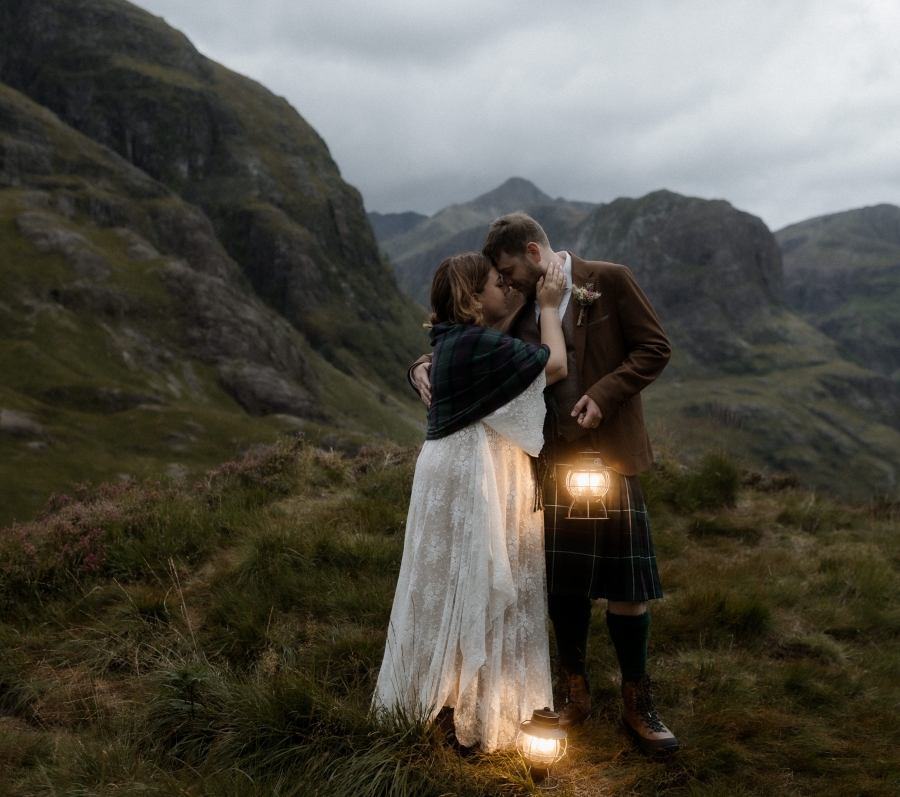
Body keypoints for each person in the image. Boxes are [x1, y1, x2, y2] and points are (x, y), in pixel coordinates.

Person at [409, 213, 678, 754]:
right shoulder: (514, 305)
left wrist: (603, 395)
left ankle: (637, 699)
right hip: (548, 464)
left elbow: (654, 348)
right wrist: (421, 365)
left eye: (509, 272)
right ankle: (574, 690)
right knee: (562, 585)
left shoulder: (611, 278)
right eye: (499, 279)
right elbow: (465, 339)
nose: (504, 285)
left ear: (534, 254)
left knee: (628, 588)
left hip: (612, 458)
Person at [373, 252, 568, 752]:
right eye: (496, 284)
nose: (506, 289)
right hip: (470, 471)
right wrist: (549, 306)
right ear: (472, 295)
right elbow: (557, 364)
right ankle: (467, 715)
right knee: (474, 583)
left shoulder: (447, 341)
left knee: (444, 586)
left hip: (444, 466)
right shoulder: (478, 341)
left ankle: (438, 702)